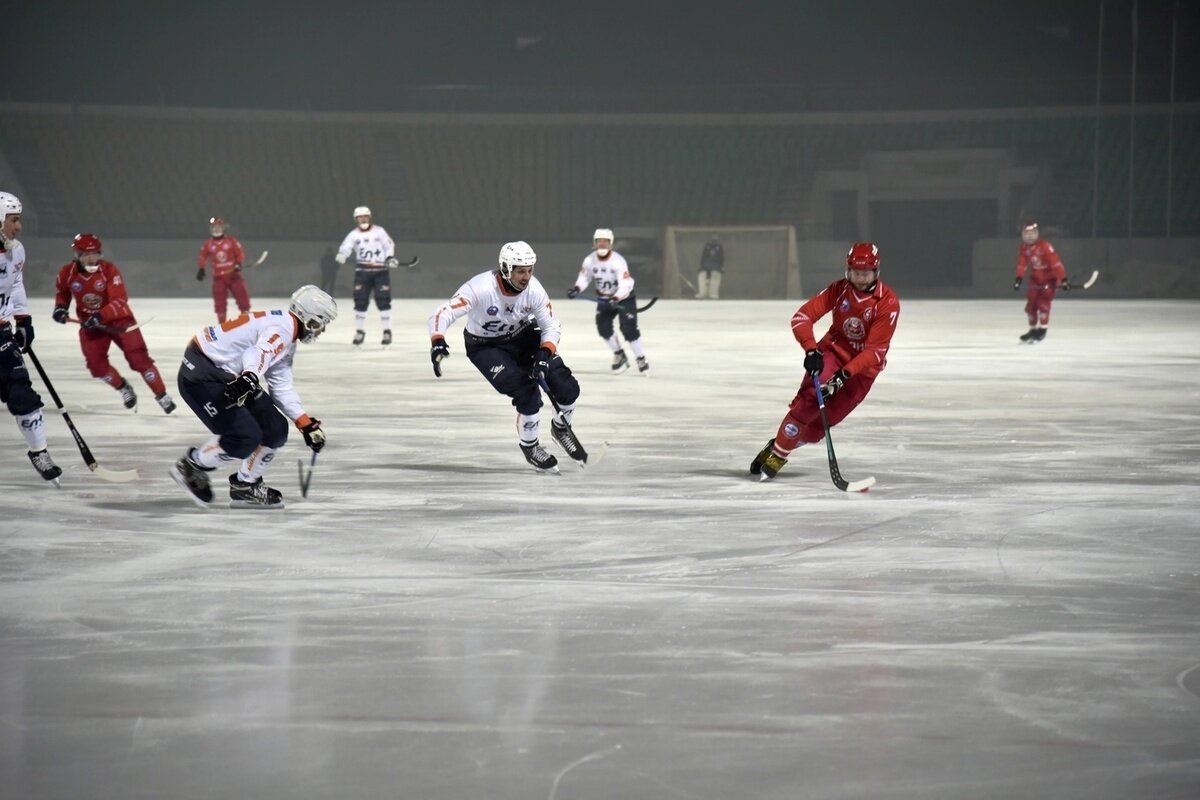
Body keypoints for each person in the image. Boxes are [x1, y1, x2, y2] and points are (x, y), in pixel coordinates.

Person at [169, 285, 336, 509]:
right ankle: (192, 465)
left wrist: (304, 422)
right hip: (201, 374)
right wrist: (249, 378)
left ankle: (245, 485)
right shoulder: (283, 329)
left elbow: (280, 385)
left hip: (229, 374)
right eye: (319, 323)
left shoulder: (288, 334)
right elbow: (258, 353)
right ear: (308, 318)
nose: (320, 330)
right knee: (244, 437)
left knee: (275, 428)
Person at [428, 241, 584, 472]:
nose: (526, 277)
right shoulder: (480, 288)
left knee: (567, 387)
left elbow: (551, 326)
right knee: (527, 392)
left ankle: (561, 429)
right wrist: (438, 341)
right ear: (505, 269)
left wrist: (544, 353)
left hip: (522, 335)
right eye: (521, 271)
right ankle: (530, 446)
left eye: (530, 270)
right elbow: (443, 312)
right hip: (485, 346)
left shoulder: (534, 290)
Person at [750, 242, 900, 480]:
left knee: (819, 428)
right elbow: (802, 317)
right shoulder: (839, 289)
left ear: (876, 272)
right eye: (855, 272)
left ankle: (779, 442)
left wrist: (844, 375)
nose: (860, 278)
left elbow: (875, 352)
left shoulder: (887, 303)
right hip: (832, 351)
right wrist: (811, 350)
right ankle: (779, 453)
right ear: (848, 271)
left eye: (865, 273)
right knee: (810, 400)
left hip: (863, 371)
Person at [52, 233, 177, 414]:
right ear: (77, 255)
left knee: (138, 359)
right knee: (96, 366)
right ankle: (123, 387)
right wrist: (60, 308)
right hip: (91, 325)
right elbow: (62, 292)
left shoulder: (109, 270)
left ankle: (161, 394)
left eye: (94, 253)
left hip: (120, 321)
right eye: (86, 254)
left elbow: (119, 300)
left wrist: (100, 315)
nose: (91, 258)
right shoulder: (67, 272)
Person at [0, 191, 62, 484]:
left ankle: (39, 451)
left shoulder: (17, 250)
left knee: (21, 391)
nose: (19, 226)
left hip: (1, 333)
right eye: (14, 220)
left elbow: (16, 284)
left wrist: (23, 319)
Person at [567, 227, 650, 374]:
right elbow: (585, 278)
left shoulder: (618, 261)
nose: (602, 244)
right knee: (603, 328)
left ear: (611, 243)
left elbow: (626, 283)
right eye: (599, 241)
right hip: (604, 299)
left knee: (628, 329)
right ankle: (619, 355)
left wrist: (616, 297)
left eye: (606, 241)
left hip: (624, 298)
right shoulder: (589, 260)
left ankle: (640, 358)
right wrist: (577, 288)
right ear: (595, 242)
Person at [336, 206, 403, 346]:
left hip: (380, 271)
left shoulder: (379, 231)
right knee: (360, 301)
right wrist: (343, 254)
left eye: (365, 216)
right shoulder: (354, 234)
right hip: (363, 272)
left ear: (369, 217)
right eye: (360, 217)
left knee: (383, 300)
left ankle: (387, 331)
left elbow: (388, 244)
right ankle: (360, 331)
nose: (363, 219)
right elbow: (347, 245)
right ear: (356, 219)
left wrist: (390, 257)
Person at [1013, 222, 1069, 343]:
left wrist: (1063, 279)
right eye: (1026, 233)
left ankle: (1043, 329)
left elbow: (1056, 264)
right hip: (1036, 279)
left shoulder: (1045, 246)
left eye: (1032, 233)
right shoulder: (1024, 247)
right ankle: (1033, 330)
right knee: (1031, 304)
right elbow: (1021, 264)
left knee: (1043, 302)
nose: (1029, 236)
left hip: (1049, 279)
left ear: (1037, 234)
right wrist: (1018, 279)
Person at [197, 216, 251, 323]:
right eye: (214, 227)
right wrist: (201, 269)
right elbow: (202, 256)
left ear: (222, 228)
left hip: (233, 275)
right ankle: (221, 326)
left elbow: (240, 253)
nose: (216, 229)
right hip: (219, 277)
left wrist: (239, 263)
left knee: (242, 297)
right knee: (219, 302)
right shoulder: (208, 244)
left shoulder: (231, 241)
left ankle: (246, 322)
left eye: (218, 227)